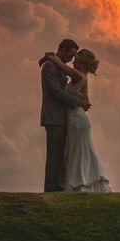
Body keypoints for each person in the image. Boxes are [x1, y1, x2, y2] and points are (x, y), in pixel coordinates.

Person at [44, 48, 112, 192]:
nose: (73, 60)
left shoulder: (78, 75)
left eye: (75, 58)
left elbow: (60, 65)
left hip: (76, 119)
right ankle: (82, 180)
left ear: (80, 61)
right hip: (78, 118)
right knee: (79, 150)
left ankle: (79, 182)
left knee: (76, 151)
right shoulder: (84, 77)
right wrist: (81, 100)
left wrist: (52, 57)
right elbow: (86, 98)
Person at [39, 39, 88, 192]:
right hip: (54, 118)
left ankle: (59, 185)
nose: (72, 60)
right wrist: (78, 102)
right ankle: (52, 187)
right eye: (71, 55)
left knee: (62, 154)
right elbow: (56, 92)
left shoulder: (58, 66)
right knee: (55, 154)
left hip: (63, 117)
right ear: (63, 50)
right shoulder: (49, 67)